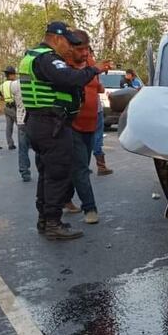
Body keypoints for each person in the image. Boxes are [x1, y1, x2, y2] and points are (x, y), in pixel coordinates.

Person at [20, 21, 111, 240]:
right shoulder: (46, 58)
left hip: (40, 123)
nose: (69, 49)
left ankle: (44, 219)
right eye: (67, 44)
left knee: (47, 173)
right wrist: (94, 69)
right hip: (51, 124)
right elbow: (69, 78)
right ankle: (53, 222)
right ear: (57, 38)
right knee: (57, 174)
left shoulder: (32, 57)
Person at [65, 29, 100, 224]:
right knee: (80, 168)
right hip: (72, 126)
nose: (85, 53)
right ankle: (90, 208)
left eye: (87, 49)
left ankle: (65, 197)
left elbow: (98, 88)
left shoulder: (92, 66)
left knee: (81, 166)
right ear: (70, 49)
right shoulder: (64, 68)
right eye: (80, 49)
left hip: (91, 125)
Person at [91, 48, 113, 176]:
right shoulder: (94, 71)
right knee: (97, 137)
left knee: (84, 138)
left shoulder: (77, 68)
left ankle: (83, 167)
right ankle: (101, 166)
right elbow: (100, 89)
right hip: (95, 109)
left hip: (82, 110)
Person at [8, 71, 32, 182]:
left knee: (23, 148)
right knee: (41, 148)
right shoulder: (35, 82)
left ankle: (24, 171)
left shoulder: (14, 85)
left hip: (21, 119)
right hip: (35, 120)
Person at [0, 66, 18, 150]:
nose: (15, 76)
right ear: (11, 75)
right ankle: (25, 143)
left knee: (9, 127)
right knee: (21, 126)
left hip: (6, 107)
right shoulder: (14, 83)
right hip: (14, 107)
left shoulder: (2, 85)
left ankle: (10, 143)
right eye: (14, 74)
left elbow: (1, 96)